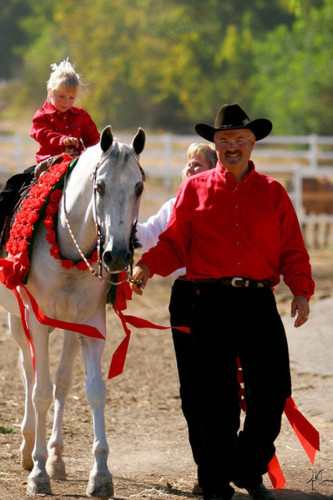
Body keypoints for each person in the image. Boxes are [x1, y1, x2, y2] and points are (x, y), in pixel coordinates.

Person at [130, 103, 315, 500]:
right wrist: (147, 267)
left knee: (272, 393)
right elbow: (174, 243)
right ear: (215, 145)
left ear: (252, 144)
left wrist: (301, 290)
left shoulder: (274, 193)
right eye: (224, 140)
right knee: (217, 401)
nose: (232, 147)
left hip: (257, 302)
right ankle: (215, 484)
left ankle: (247, 468)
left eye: (239, 140)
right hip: (208, 303)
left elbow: (293, 251)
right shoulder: (193, 190)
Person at [136, 143, 217, 495]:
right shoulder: (171, 207)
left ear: (214, 172)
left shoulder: (220, 207)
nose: (190, 169)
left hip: (219, 296)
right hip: (183, 298)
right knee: (192, 389)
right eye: (188, 164)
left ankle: (232, 462)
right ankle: (206, 468)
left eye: (198, 164)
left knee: (223, 386)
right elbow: (144, 235)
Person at [0, 57, 100, 239]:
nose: (67, 102)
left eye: (72, 97)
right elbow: (42, 134)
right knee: (12, 186)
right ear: (49, 91)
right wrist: (62, 140)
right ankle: (8, 232)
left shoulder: (81, 116)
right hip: (49, 166)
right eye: (61, 96)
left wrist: (97, 153)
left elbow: (93, 139)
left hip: (78, 164)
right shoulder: (42, 116)